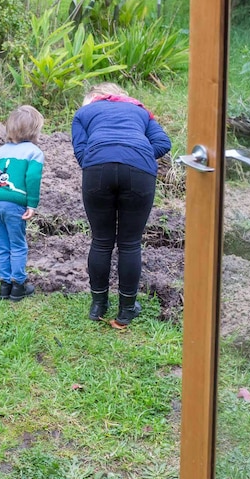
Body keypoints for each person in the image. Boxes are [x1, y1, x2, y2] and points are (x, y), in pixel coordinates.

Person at [71, 83, 171, 327]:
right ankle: (126, 309)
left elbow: (80, 150)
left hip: (97, 170)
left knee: (101, 240)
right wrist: (138, 153)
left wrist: (100, 159)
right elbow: (163, 142)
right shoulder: (139, 110)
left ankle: (98, 306)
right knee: (129, 242)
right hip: (139, 171)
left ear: (93, 98)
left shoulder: (83, 113)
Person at [0, 105, 45, 301]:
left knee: (1, 245)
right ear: (35, 130)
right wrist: (32, 204)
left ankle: (4, 286)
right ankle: (18, 286)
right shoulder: (34, 152)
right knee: (17, 244)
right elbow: (32, 178)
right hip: (13, 203)